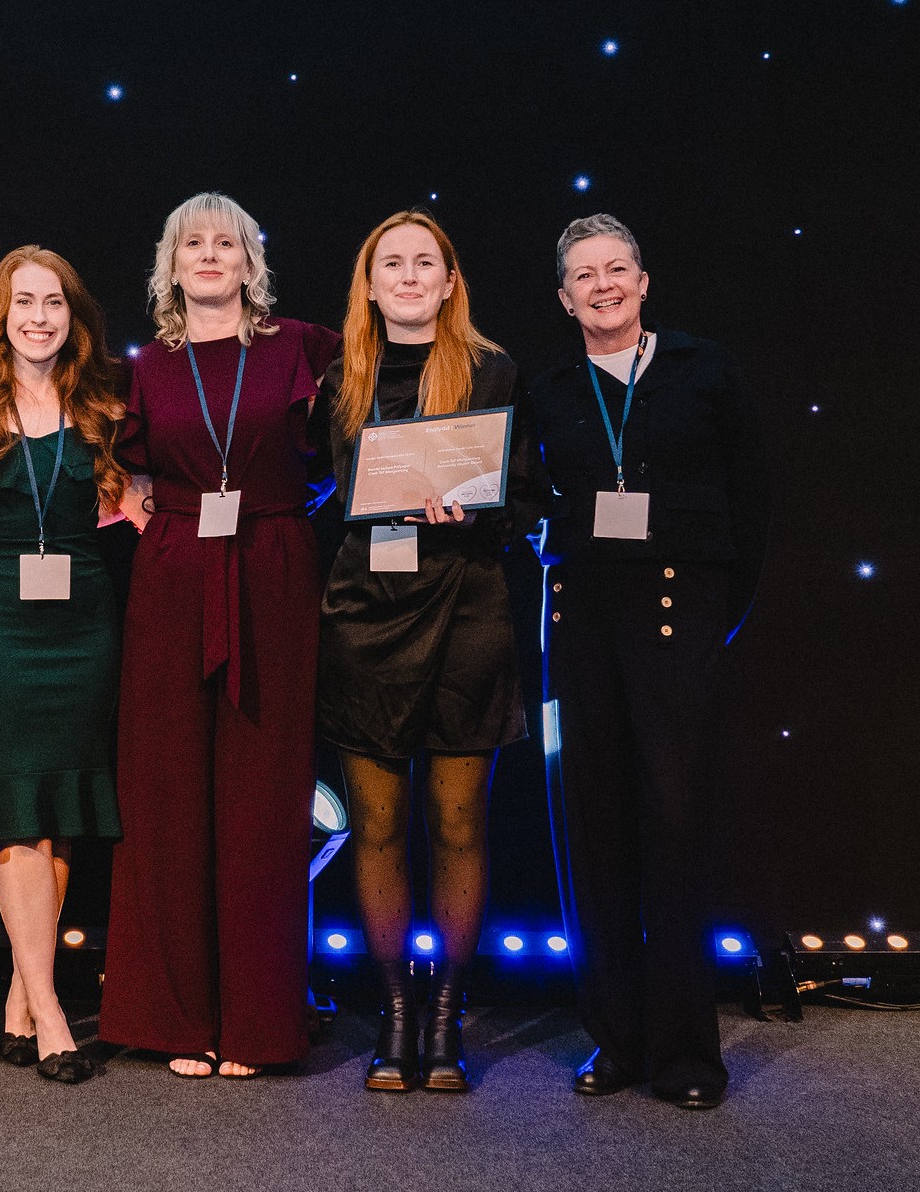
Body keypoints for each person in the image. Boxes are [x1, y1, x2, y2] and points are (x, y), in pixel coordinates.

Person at [530, 213, 768, 1111]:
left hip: (678, 619)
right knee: (591, 828)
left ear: (643, 279)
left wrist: (720, 615)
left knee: (673, 828)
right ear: (564, 297)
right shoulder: (550, 387)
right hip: (582, 621)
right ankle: (617, 1045)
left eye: (617, 268)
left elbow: (754, 495)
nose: (604, 285)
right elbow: (524, 500)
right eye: (584, 275)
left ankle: (686, 1057)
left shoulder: (705, 368)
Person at [99, 193, 340, 1080]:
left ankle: (259, 1024)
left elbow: (362, 436)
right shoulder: (144, 368)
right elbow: (114, 467)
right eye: (192, 243)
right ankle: (176, 1020)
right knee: (167, 797)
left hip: (273, 569)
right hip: (171, 575)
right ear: (170, 264)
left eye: (226, 243)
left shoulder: (303, 348)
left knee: (262, 803)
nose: (209, 255)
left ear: (251, 261)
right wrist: (130, 503)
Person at [310, 210, 542, 1092]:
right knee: (374, 829)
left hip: (467, 613)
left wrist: (475, 509)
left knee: (456, 826)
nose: (408, 277)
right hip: (366, 618)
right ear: (369, 285)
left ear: (450, 283)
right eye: (391, 264)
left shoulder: (493, 370)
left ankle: (444, 1019)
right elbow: (329, 494)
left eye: (425, 264)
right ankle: (395, 1017)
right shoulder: (340, 376)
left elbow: (522, 500)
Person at [0, 246, 126, 1085]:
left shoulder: (103, 406)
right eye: (23, 302)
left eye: (53, 303)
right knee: (16, 804)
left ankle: (19, 991)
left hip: (84, 625)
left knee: (62, 800)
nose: (38, 316)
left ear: (73, 316)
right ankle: (49, 1012)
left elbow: (136, 504)